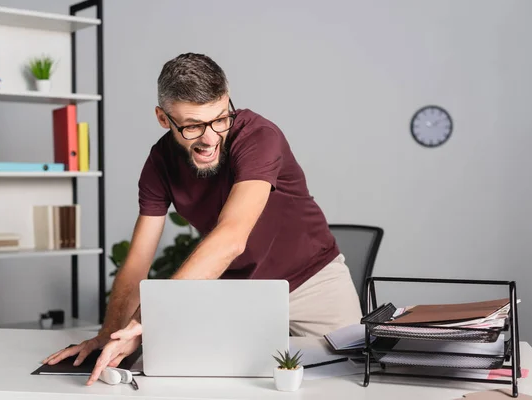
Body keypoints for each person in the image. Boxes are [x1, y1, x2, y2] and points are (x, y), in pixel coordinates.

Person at [42, 53, 362, 386]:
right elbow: (137, 264)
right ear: (164, 119)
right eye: (193, 125)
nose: (210, 138)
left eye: (221, 118)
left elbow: (231, 237)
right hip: (235, 292)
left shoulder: (258, 137)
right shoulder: (159, 165)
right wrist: (108, 336)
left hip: (313, 281)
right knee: (211, 383)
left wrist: (148, 320)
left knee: (351, 380)